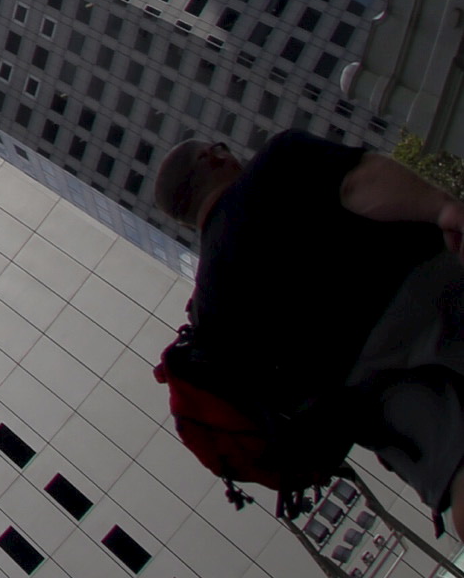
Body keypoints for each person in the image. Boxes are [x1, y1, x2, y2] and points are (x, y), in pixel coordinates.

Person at [160, 135, 464, 521]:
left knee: (457, 468)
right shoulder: (275, 164)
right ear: (212, 156)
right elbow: (361, 184)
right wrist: (443, 209)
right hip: (424, 296)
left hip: (365, 393)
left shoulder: (209, 310)